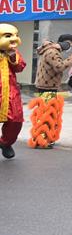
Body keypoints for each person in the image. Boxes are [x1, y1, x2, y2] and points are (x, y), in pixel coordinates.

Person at [28, 33, 72, 149]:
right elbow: (59, 67)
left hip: (47, 85)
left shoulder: (50, 50)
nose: (69, 47)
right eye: (70, 45)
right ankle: (43, 138)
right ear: (65, 43)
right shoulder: (52, 52)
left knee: (44, 113)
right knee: (47, 114)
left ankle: (41, 138)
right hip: (48, 87)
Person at [0, 24, 27, 160]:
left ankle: (5, 143)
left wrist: (12, 58)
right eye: (8, 36)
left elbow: (20, 67)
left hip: (10, 92)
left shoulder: (13, 53)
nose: (14, 39)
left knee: (16, 120)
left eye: (15, 35)